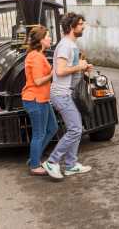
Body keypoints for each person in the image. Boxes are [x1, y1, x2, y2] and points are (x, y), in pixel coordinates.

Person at [41, 13, 93, 180]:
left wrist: (82, 67)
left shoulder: (70, 45)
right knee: (75, 129)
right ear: (71, 27)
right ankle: (52, 162)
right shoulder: (66, 46)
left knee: (76, 128)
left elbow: (67, 69)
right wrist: (79, 66)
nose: (83, 26)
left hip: (66, 94)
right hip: (61, 95)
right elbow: (60, 71)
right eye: (80, 24)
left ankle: (70, 165)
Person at [21, 25, 58, 176]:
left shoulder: (38, 55)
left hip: (42, 99)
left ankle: (34, 158)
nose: (50, 39)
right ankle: (35, 165)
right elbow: (37, 81)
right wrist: (53, 74)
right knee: (39, 134)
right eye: (48, 36)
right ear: (41, 40)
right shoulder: (35, 57)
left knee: (52, 128)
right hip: (35, 99)